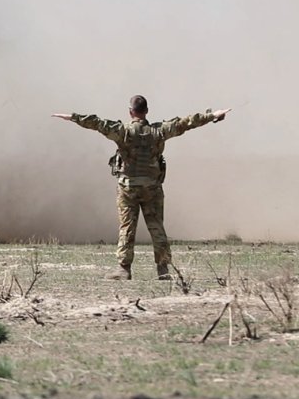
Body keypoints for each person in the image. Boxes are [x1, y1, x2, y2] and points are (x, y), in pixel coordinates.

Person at [51, 96, 231, 281]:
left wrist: (72, 117)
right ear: (147, 111)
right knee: (156, 227)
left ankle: (124, 268)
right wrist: (212, 116)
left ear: (130, 111)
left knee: (127, 227)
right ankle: (163, 269)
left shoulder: (123, 131)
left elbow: (97, 123)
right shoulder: (159, 131)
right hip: (152, 187)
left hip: (128, 188)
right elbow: (187, 122)